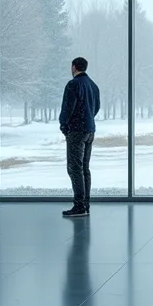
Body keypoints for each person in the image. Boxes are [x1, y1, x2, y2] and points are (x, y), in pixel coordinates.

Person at [60, 56, 100, 217]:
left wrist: (64, 124)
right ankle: (85, 204)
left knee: (74, 168)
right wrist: (88, 118)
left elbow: (68, 108)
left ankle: (79, 206)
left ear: (74, 67)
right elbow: (96, 107)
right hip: (90, 130)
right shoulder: (93, 85)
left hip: (76, 131)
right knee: (84, 168)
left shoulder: (73, 85)